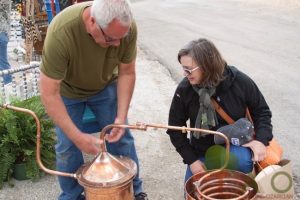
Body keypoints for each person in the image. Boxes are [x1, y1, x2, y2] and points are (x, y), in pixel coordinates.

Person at [39, 0, 147, 199]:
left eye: (121, 38)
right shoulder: (61, 32)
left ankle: (133, 189)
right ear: (92, 23)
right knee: (67, 147)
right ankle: (72, 195)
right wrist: (77, 136)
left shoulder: (125, 28)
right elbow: (48, 92)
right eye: (111, 39)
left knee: (121, 137)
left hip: (105, 85)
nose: (117, 44)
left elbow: (127, 72)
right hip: (68, 91)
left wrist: (121, 117)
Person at [166, 38, 273, 186]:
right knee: (192, 192)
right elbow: (174, 128)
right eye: (183, 68)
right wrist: (192, 161)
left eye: (188, 69)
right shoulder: (185, 90)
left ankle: (234, 182)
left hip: (235, 147)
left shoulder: (239, 81)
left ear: (207, 66)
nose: (184, 74)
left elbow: (262, 112)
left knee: (241, 164)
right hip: (201, 152)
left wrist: (261, 141)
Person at [0, 0, 12, 84]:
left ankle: (8, 83)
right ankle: (7, 83)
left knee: (3, 61)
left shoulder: (5, 2)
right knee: (3, 61)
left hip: (2, 33)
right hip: (3, 34)